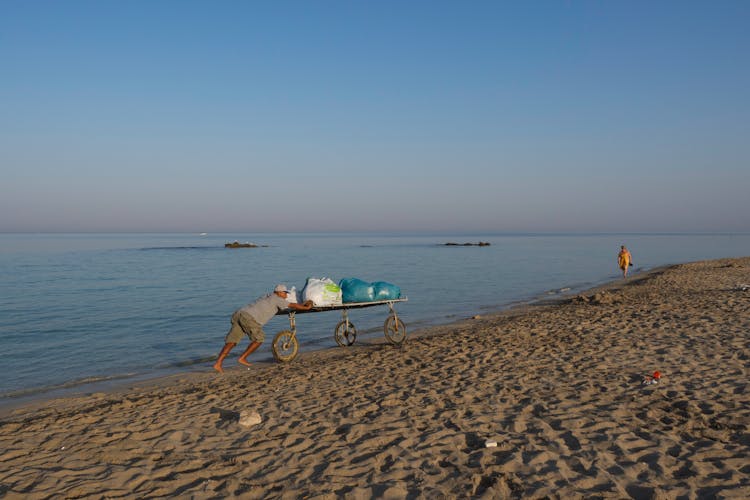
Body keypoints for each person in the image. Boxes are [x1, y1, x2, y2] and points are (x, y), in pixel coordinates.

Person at [213, 284, 313, 373]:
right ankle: (242, 358)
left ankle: (218, 364)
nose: (286, 295)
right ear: (279, 292)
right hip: (249, 318)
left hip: (240, 314)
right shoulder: (277, 299)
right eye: (285, 293)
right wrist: (307, 307)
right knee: (259, 339)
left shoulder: (266, 296)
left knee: (231, 342)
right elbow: (293, 305)